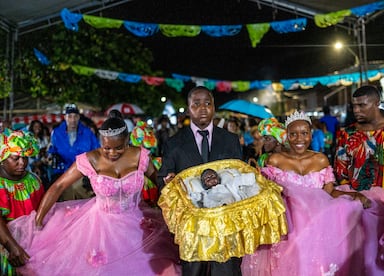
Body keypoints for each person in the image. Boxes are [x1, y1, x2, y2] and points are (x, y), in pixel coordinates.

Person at [7, 117, 180, 275]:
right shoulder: (90, 159)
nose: (112, 153)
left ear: (127, 141)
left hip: (137, 224)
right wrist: (38, 221)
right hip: (98, 227)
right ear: (100, 141)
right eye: (107, 148)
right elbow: (58, 186)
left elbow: (159, 183)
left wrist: (173, 206)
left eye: (118, 148)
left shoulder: (140, 156)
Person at [242, 110, 384, 276]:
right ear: (286, 136)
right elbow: (268, 195)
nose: (299, 139)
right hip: (290, 229)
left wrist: (353, 196)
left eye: (304, 133)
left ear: (311, 135)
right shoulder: (275, 160)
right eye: (293, 134)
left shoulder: (320, 159)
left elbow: (329, 192)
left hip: (319, 225)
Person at [158, 86, 242, 276]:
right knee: (194, 270)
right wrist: (169, 183)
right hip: (192, 226)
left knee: (227, 270)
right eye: (196, 104)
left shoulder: (230, 139)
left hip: (224, 222)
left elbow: (239, 175)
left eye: (207, 103)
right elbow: (162, 178)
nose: (202, 108)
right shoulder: (174, 143)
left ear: (214, 107)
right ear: (188, 109)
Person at [334, 85, 384, 274]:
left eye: (362, 105)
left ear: (377, 103)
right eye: (354, 106)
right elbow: (341, 172)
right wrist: (350, 198)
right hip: (360, 210)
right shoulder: (347, 134)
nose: (356, 110)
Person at [0, 129, 44, 276]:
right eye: (15, 158)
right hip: (6, 246)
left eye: (25, 158)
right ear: (2, 157)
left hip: (33, 244)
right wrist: (12, 246)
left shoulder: (33, 180)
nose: (22, 163)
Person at [48, 104, 100, 200]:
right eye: (70, 116)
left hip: (83, 172)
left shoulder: (87, 132)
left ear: (79, 117)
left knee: (81, 193)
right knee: (65, 198)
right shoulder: (56, 132)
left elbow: (96, 150)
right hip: (63, 171)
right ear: (65, 117)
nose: (73, 120)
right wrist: (51, 156)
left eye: (75, 116)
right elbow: (52, 149)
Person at [187, 168, 260, 208]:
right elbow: (199, 196)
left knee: (251, 189)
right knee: (222, 201)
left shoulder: (227, 185)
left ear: (219, 178)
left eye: (213, 176)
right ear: (203, 184)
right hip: (218, 205)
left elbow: (238, 180)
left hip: (237, 201)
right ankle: (223, 207)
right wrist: (192, 196)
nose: (211, 179)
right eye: (207, 179)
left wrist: (251, 176)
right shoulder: (206, 193)